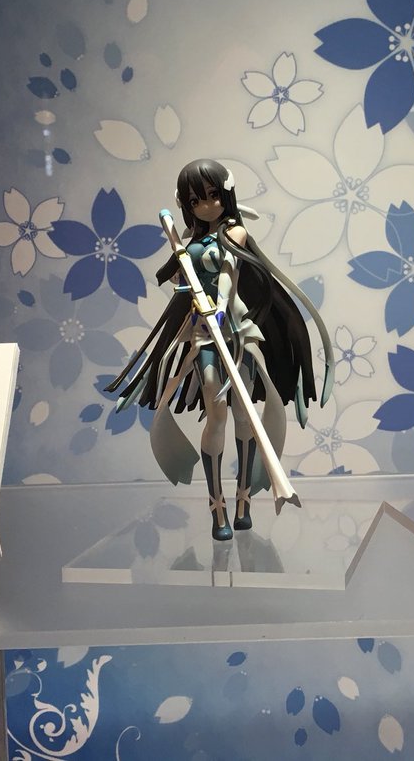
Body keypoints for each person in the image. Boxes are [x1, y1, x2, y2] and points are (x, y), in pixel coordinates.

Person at [107, 159, 331, 540]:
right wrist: (182, 274)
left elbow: (229, 273)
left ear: (225, 194)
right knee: (216, 406)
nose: (207, 205)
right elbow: (178, 281)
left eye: (213, 196)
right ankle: (217, 506)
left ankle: (243, 500)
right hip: (203, 334)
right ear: (186, 205)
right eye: (196, 200)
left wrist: (221, 306)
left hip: (235, 331)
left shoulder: (235, 232)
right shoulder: (189, 241)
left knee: (243, 412)